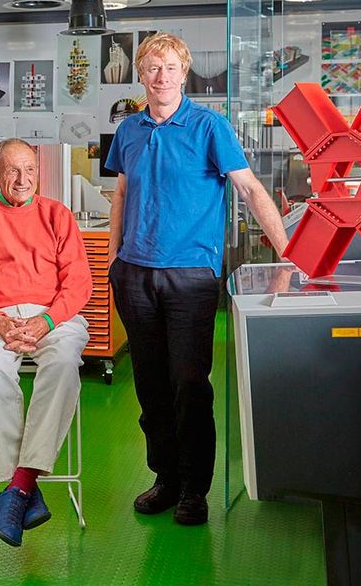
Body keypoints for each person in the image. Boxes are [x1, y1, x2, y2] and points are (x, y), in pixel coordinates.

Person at [105, 32, 288, 526]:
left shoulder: (210, 126)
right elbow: (121, 194)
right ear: (140, 75)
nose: (160, 76)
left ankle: (194, 488)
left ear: (184, 73)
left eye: (169, 67)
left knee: (189, 384)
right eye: (151, 67)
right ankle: (164, 478)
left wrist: (289, 255)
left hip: (191, 277)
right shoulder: (129, 131)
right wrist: (113, 261)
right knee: (150, 387)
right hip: (136, 274)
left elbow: (249, 189)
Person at [0, 138, 92, 547]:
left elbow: (78, 281)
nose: (22, 179)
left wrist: (46, 320)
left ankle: (17, 487)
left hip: (53, 315)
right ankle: (24, 488)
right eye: (12, 170)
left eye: (30, 170)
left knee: (65, 363)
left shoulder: (57, 215)